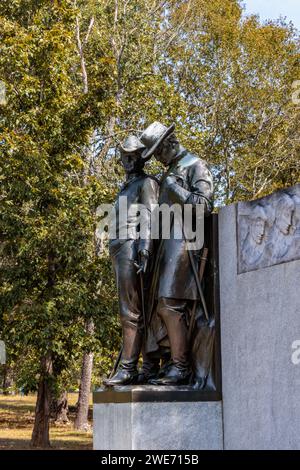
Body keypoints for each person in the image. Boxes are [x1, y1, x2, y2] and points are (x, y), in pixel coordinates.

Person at [140, 122, 214, 385]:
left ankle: (181, 367)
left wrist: (174, 190)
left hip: (185, 242)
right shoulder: (169, 171)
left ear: (170, 143)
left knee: (170, 304)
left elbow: (204, 206)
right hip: (165, 246)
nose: (158, 159)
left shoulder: (196, 165)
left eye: (159, 152)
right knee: (157, 307)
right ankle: (168, 362)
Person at [103, 135, 159, 386]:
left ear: (141, 158)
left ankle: (129, 368)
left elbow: (149, 215)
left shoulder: (145, 183)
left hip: (132, 247)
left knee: (132, 311)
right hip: (119, 249)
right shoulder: (126, 186)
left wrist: (144, 248)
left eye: (133, 156)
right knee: (133, 309)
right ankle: (147, 365)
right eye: (125, 155)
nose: (128, 160)